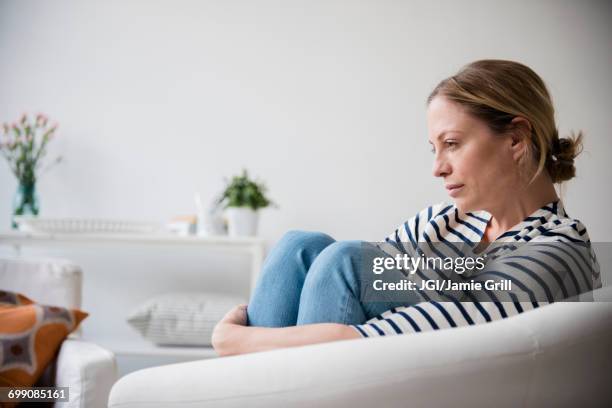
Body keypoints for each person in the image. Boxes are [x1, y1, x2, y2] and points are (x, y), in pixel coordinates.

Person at [211, 59, 601, 356]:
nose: (437, 168)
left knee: (347, 261)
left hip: (440, 379)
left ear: (516, 139)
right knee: (301, 246)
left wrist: (239, 340)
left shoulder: (556, 249)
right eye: (434, 149)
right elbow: (341, 302)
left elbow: (404, 331)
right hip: (372, 362)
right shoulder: (439, 223)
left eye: (452, 143)